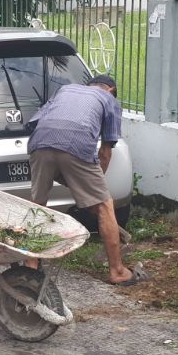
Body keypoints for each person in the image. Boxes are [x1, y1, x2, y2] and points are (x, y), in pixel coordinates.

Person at [27, 73, 137, 286]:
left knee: (38, 205)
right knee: (105, 205)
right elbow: (105, 153)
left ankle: (31, 265)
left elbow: (34, 123)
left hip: (39, 143)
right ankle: (117, 271)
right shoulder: (109, 100)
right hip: (76, 145)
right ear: (111, 90)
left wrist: (82, 187)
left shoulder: (66, 90)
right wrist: (95, 193)